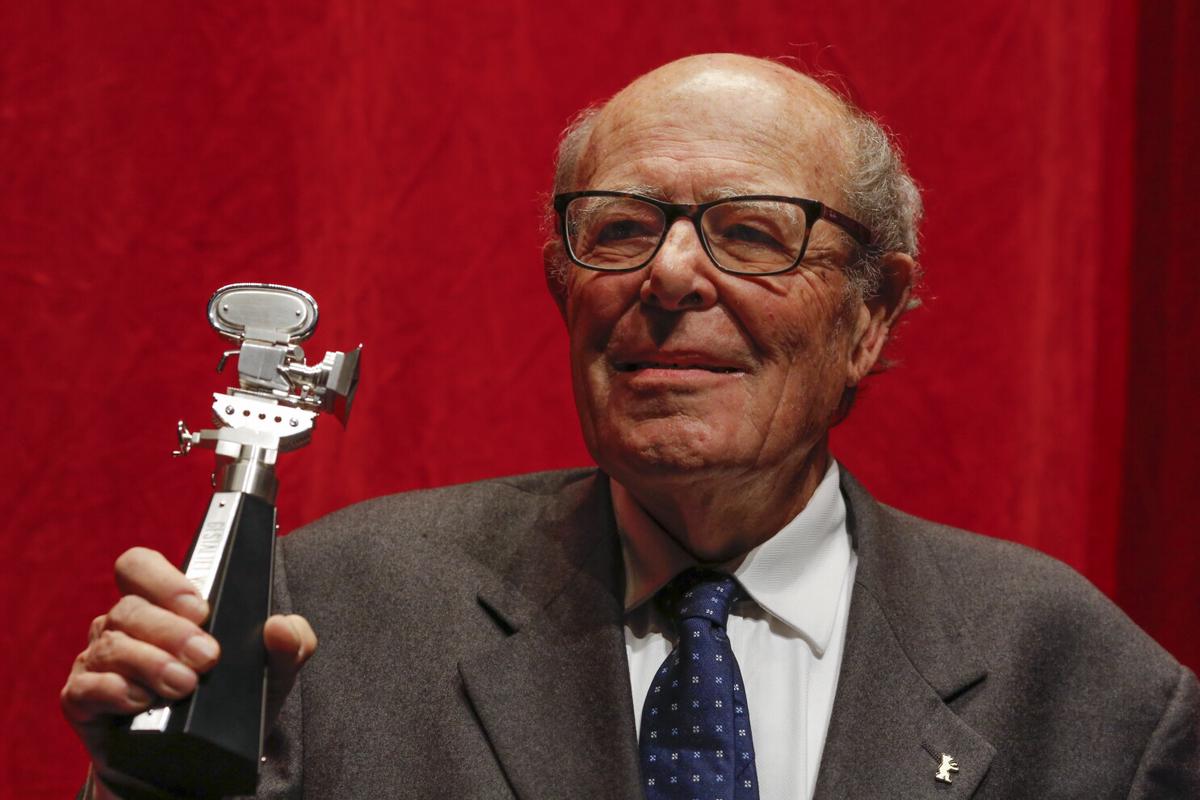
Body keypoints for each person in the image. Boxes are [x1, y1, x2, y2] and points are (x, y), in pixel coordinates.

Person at [62, 53, 1198, 799]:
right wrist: (141, 788)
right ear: (563, 292)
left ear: (871, 314)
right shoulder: (331, 617)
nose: (669, 275)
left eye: (750, 232)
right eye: (619, 229)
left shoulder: (1087, 686)